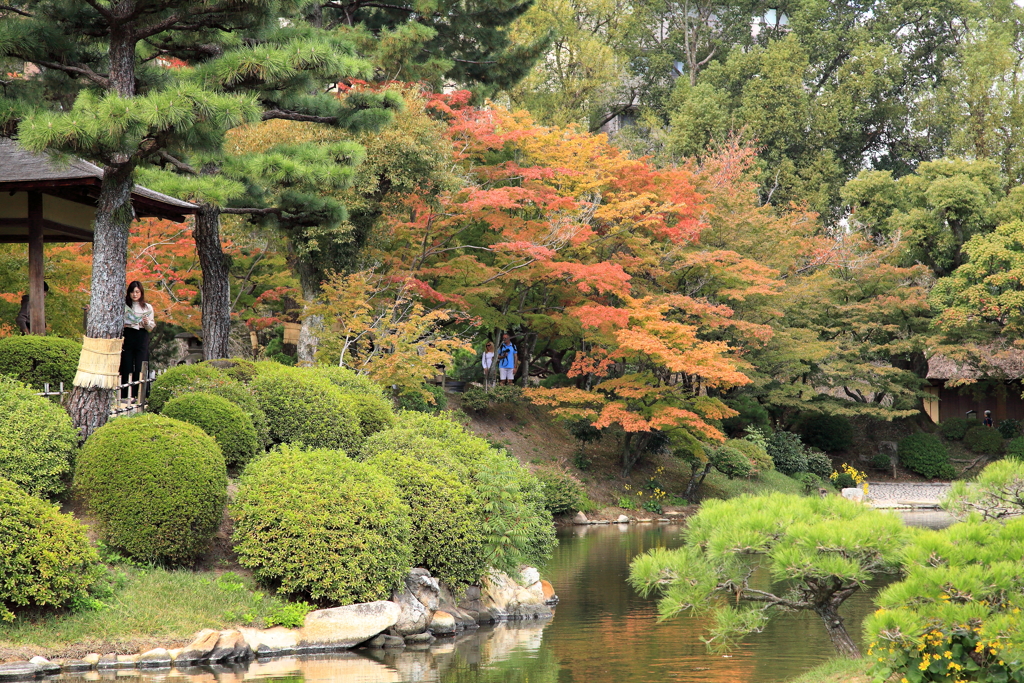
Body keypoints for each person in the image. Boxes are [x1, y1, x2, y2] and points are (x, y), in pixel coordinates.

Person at [120, 281, 155, 401]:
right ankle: (126, 394)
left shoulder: (147, 307)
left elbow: (150, 327)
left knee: (141, 364)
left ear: (141, 292)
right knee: (126, 364)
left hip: (141, 335)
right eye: (132, 292)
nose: (134, 294)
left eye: (137, 292)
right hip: (128, 335)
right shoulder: (124, 306)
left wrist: (146, 322)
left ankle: (142, 394)